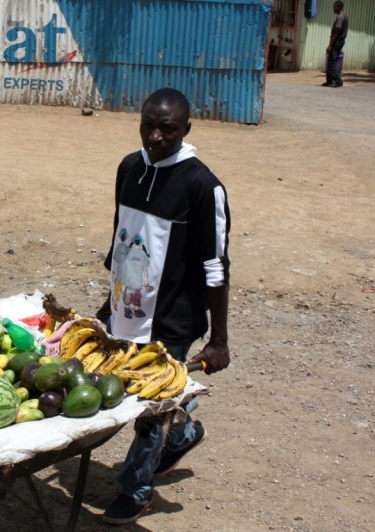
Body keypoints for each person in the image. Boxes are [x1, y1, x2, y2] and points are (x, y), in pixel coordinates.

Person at [95, 87, 231, 525]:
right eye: (148, 125)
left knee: (147, 406)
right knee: (156, 393)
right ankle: (185, 432)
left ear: (186, 129)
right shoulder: (129, 168)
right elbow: (121, 237)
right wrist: (108, 302)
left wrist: (219, 338)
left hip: (174, 315)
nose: (155, 137)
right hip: (128, 306)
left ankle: (136, 488)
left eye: (167, 129)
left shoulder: (203, 186)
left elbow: (215, 267)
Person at [324, 1, 348, 88]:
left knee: (332, 62)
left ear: (339, 7)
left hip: (337, 41)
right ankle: (329, 81)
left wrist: (330, 45)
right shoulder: (343, 16)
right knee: (331, 60)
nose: (333, 8)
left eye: (334, 7)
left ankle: (338, 81)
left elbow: (337, 32)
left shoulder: (341, 17)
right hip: (339, 41)